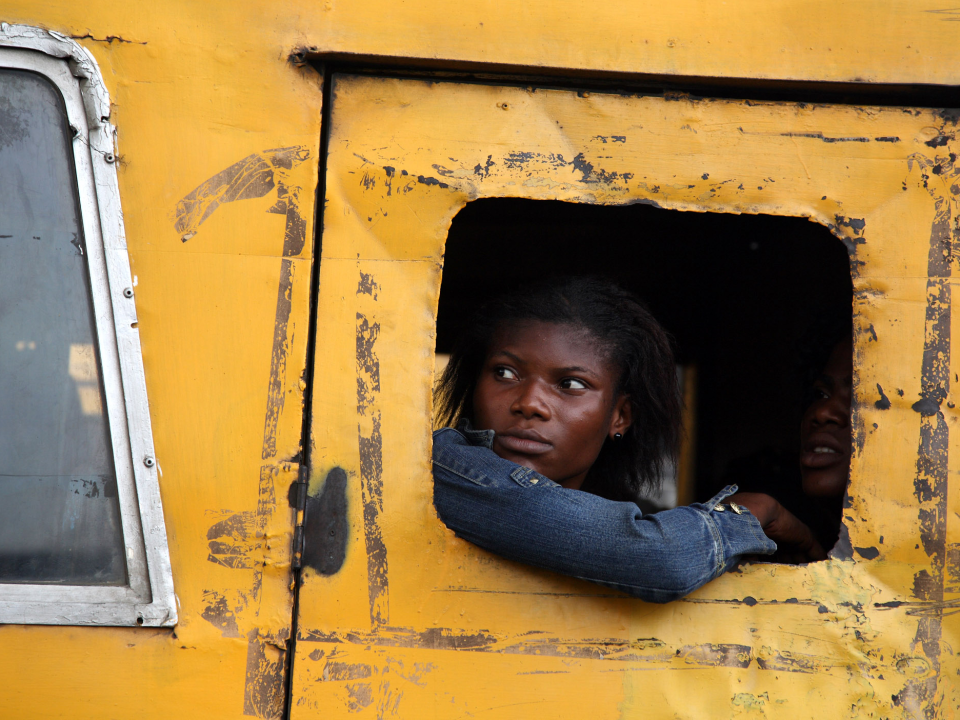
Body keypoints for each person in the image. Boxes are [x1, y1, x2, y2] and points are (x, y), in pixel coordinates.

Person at [432, 276, 824, 603]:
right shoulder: (445, 472)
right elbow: (662, 559)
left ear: (619, 416)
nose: (530, 404)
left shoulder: (617, 515)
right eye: (504, 373)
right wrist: (748, 513)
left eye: (570, 384)